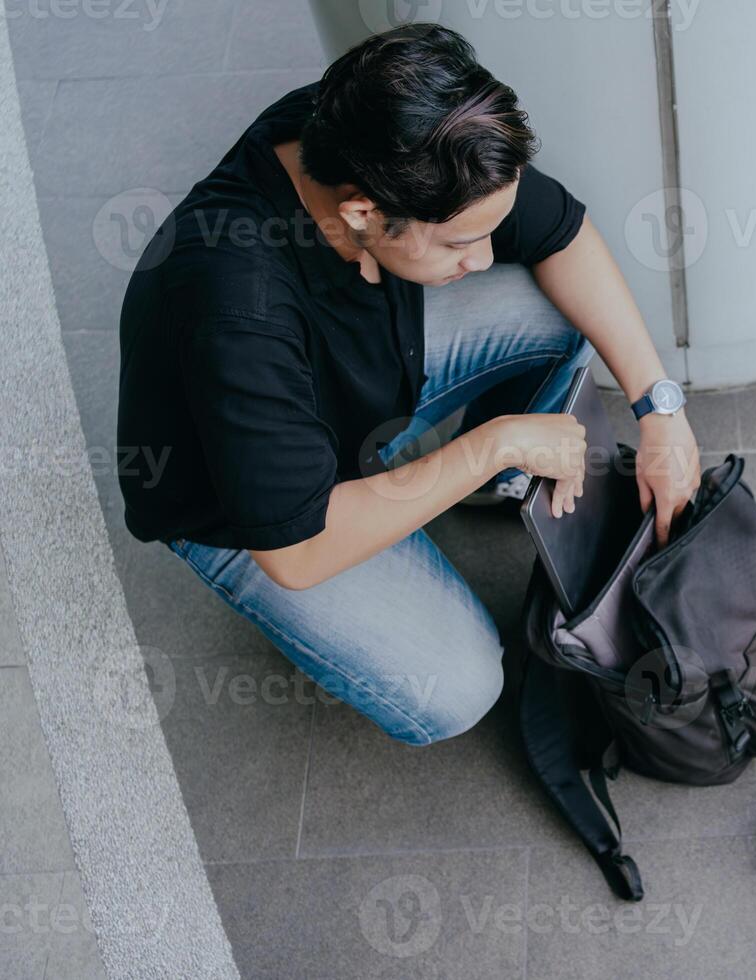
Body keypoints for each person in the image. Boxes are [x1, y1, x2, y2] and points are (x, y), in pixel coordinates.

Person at [115, 24, 701, 746]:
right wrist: (494, 444)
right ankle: (470, 474)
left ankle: (477, 483)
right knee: (458, 686)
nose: (485, 258)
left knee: (559, 301)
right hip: (258, 513)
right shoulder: (235, 306)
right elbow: (298, 553)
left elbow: (564, 236)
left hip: (362, 377)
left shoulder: (376, 130)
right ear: (362, 213)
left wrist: (660, 409)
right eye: (460, 243)